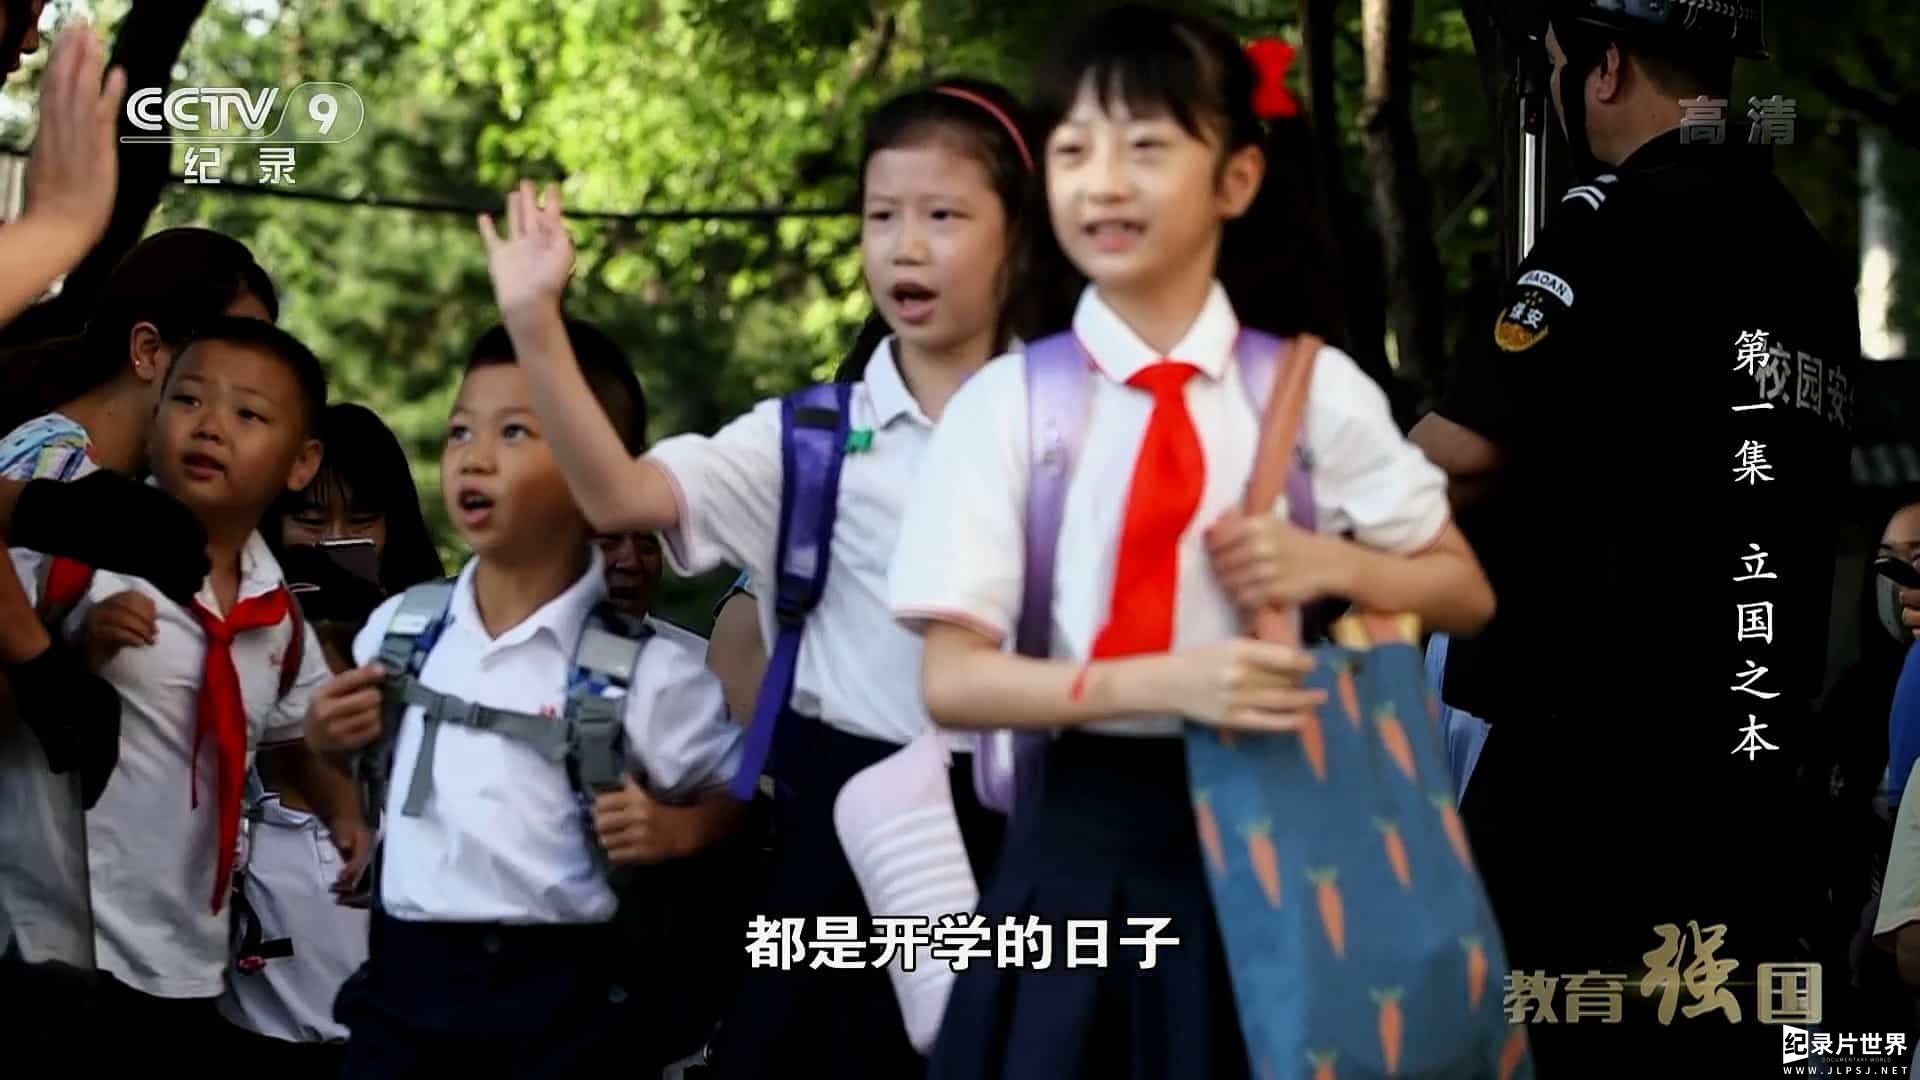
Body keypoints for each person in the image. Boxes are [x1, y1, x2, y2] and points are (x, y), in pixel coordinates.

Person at [888, 7, 1492, 1078]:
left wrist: (1334, 565)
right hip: (1078, 848)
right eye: (1074, 151)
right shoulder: (1006, 406)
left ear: (1237, 178)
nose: (1105, 183)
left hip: (1286, 844)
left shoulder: (1310, 390)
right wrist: (1169, 683)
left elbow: (1464, 592)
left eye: (1147, 147)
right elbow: (954, 680)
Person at [476, 73, 1064, 1077]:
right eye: (881, 216)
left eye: (943, 216)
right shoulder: (809, 439)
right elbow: (619, 496)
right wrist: (535, 324)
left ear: (1019, 235)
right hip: (842, 841)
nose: (905, 245)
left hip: (1037, 834)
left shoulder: (1086, 423)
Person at [1408, 0, 1858, 1069]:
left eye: (1561, 62)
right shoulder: (1806, 258)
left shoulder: (1617, 219)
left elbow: (1461, 453)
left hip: (1591, 786)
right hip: (1751, 778)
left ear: (1604, 67)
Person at [304, 319, 743, 1075]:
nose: (474, 456)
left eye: (513, 432)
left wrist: (678, 830)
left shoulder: (652, 676)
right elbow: (361, 769)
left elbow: (735, 792)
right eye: (460, 431)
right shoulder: (399, 631)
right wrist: (325, 740)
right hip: (403, 987)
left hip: (563, 1006)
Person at [4, 316, 359, 1048]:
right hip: (57, 939)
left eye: (248, 414)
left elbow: (296, 741)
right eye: (188, 399)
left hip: (191, 962)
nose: (211, 427)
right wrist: (74, 654)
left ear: (301, 462)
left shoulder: (278, 615)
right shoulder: (78, 551)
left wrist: (346, 816)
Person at [215, 402, 447, 1074]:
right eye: (311, 522)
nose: (336, 543)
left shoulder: (450, 666)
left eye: (363, 521)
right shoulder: (223, 659)